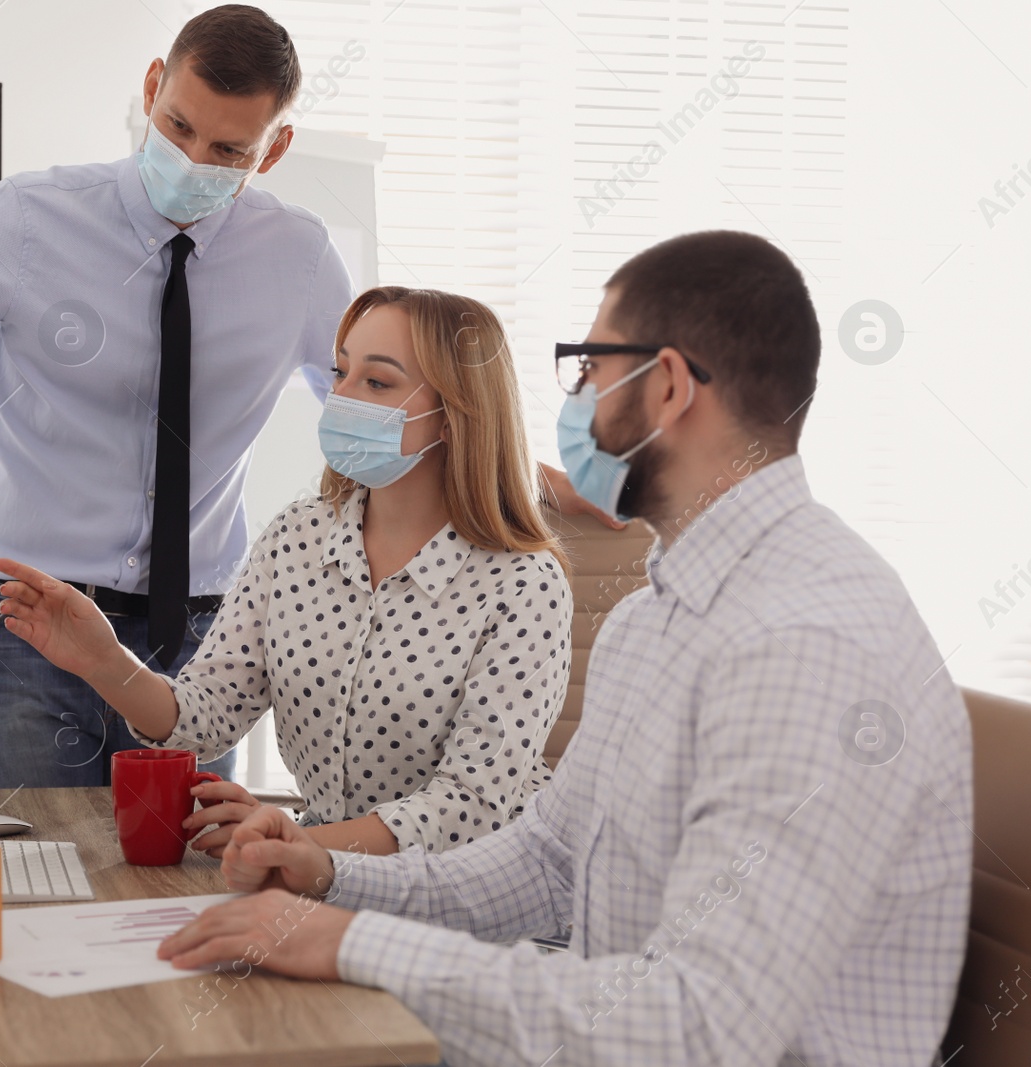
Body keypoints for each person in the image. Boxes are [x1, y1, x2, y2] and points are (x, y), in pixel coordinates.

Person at [153, 231, 974, 1067]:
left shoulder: (805, 641)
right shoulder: (653, 621)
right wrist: (329, 879)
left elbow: (702, 1029)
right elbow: (547, 861)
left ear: (665, 386)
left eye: (588, 367)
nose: (573, 397)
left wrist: (352, 945)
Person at [0, 6, 352, 788]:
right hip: (24, 624)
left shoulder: (299, 257)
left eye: (228, 149)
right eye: (178, 127)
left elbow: (379, 414)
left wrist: (510, 477)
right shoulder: (26, 219)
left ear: (276, 148)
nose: (193, 159)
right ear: (154, 86)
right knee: (39, 879)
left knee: (185, 894)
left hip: (194, 644)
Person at [0, 287, 572, 858]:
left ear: (454, 416)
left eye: (377, 381)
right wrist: (102, 660)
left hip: (476, 893)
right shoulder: (297, 537)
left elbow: (471, 805)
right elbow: (208, 716)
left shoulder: (525, 583)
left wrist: (296, 843)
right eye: (340, 371)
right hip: (322, 873)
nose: (340, 396)